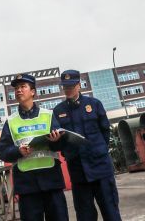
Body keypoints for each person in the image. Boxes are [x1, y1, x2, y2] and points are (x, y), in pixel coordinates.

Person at [53, 70, 122, 221]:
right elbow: (59, 142)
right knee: (85, 215)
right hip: (78, 171)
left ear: (79, 85)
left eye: (71, 86)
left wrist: (98, 150)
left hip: (101, 168)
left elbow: (105, 131)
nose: (68, 90)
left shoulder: (94, 104)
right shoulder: (58, 111)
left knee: (111, 211)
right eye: (65, 87)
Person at [0, 73, 68, 221]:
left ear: (33, 92)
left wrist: (56, 141)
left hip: (51, 182)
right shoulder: (10, 122)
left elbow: (62, 144)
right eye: (16, 88)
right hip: (27, 186)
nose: (18, 90)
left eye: (23, 87)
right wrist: (18, 151)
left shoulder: (48, 115)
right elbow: (3, 152)